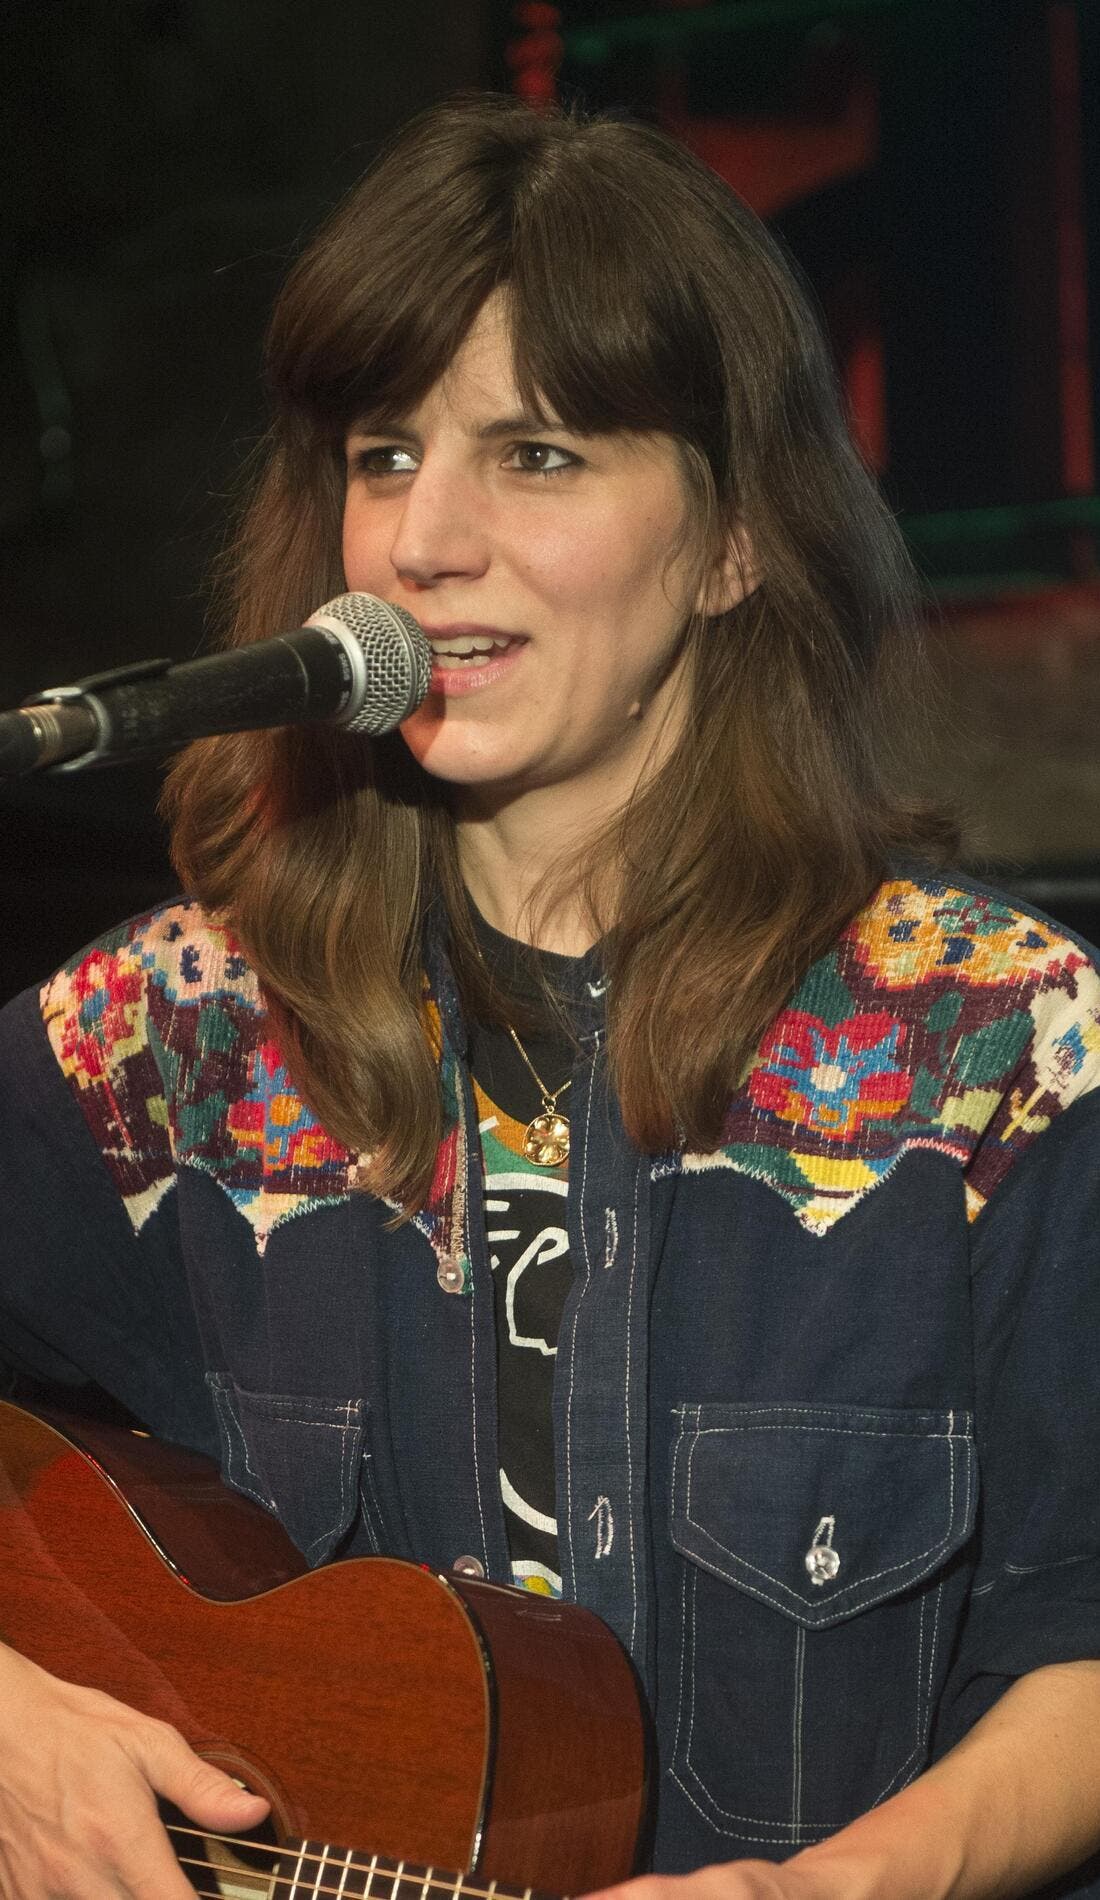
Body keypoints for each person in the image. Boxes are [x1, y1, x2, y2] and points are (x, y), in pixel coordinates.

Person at [1, 91, 1099, 1900]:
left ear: (736, 538)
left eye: (539, 455)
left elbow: (1076, 1642)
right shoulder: (174, 1043)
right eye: (382, 452)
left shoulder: (996, 1047)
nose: (424, 542)